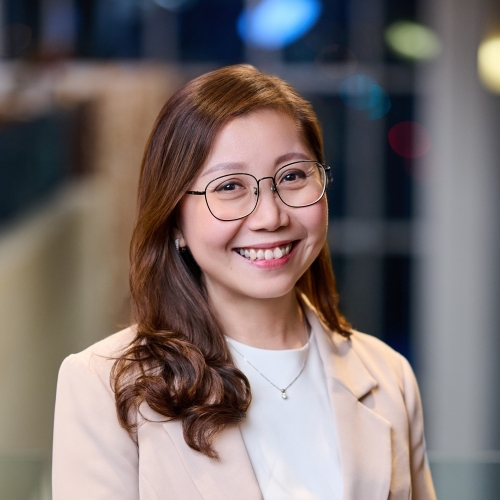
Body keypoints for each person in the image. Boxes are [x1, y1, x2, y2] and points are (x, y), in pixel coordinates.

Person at [52, 64, 436, 500]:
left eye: (292, 176)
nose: (270, 217)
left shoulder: (389, 375)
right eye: (230, 186)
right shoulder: (102, 384)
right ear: (174, 220)